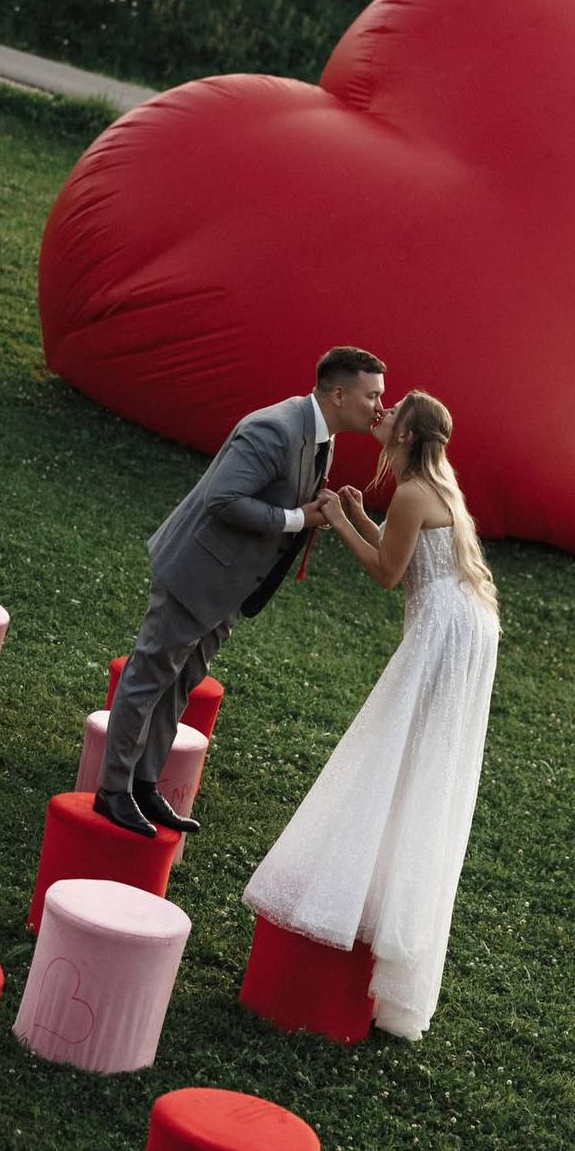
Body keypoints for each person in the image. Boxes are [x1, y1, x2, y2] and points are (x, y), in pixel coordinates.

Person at [243, 390, 499, 1040]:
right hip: (467, 626)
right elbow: (407, 556)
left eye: (394, 413)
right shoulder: (436, 485)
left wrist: (337, 517)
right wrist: (358, 513)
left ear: (408, 436)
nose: (383, 416)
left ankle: (366, 882)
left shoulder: (412, 491)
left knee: (398, 741)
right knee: (414, 748)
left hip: (444, 630)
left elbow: (388, 574)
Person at [94, 346, 387, 837]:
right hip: (196, 573)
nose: (379, 406)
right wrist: (298, 518)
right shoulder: (275, 429)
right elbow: (223, 499)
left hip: (228, 586)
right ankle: (112, 791)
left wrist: (312, 510)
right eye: (372, 395)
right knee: (149, 676)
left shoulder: (322, 435)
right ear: (339, 394)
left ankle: (144, 784)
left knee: (181, 681)